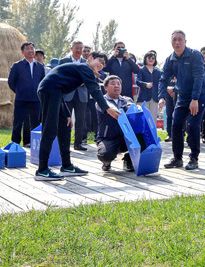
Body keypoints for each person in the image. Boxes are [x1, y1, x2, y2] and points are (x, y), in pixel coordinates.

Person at [35, 51, 119, 181]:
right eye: (99, 61)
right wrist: (108, 109)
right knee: (50, 129)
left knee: (65, 128)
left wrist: (67, 114)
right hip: (49, 90)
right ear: (90, 58)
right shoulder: (85, 68)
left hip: (57, 92)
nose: (101, 65)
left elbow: (61, 88)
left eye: (103, 64)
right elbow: (95, 90)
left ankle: (67, 166)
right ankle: (42, 170)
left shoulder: (83, 71)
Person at [159, 30, 205, 170]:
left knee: (192, 126)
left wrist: (195, 99)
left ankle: (194, 158)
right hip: (183, 96)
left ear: (185, 42)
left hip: (199, 96)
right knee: (175, 125)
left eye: (180, 39)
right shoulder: (170, 59)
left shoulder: (194, 55)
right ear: (171, 43)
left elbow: (199, 77)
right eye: (174, 39)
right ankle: (177, 158)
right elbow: (163, 79)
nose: (177, 42)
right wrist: (161, 97)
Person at [8, 41, 46, 147]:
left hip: (36, 99)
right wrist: (19, 90)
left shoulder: (40, 66)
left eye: (32, 48)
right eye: (28, 49)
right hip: (21, 98)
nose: (31, 51)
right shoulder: (17, 66)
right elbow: (11, 82)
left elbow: (43, 81)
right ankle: (15, 144)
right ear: (22, 52)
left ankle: (31, 143)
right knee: (18, 122)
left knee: (35, 123)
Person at [96, 75, 135, 172]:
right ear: (105, 87)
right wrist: (113, 110)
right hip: (108, 138)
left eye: (118, 84)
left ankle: (129, 159)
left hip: (125, 137)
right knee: (105, 155)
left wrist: (134, 109)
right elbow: (108, 106)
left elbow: (131, 106)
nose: (116, 86)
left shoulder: (126, 99)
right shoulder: (101, 101)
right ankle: (107, 162)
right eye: (113, 84)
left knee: (144, 140)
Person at [59, 40, 89, 151]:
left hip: (81, 95)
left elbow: (89, 78)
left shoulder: (86, 62)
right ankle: (64, 143)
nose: (79, 50)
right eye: (77, 48)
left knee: (81, 119)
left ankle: (78, 143)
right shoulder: (63, 61)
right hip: (67, 94)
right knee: (65, 119)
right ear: (71, 48)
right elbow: (60, 76)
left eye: (81, 48)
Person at [136, 51, 161, 121]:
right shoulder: (141, 70)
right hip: (143, 98)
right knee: (143, 118)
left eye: (153, 58)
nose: (151, 59)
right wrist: (145, 84)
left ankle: (152, 132)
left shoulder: (158, 71)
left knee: (153, 119)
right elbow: (137, 81)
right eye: (149, 58)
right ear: (145, 59)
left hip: (155, 98)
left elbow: (161, 84)